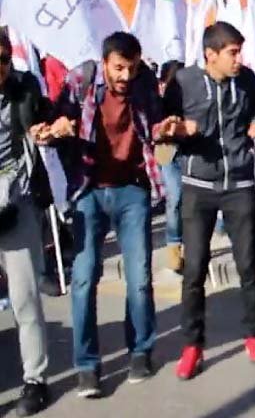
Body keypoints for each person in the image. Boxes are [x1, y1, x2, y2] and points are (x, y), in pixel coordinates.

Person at [38, 32, 170, 397]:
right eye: (119, 68)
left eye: (132, 67)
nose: (126, 75)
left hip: (132, 189)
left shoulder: (145, 83)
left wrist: (166, 131)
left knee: (139, 277)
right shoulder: (81, 80)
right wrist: (54, 130)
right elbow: (53, 121)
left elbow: (155, 125)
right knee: (83, 278)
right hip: (88, 191)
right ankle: (87, 365)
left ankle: (141, 351)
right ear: (105, 62)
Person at [164, 22, 255, 380]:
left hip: (240, 183)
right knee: (193, 270)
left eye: (240, 51)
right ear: (211, 54)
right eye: (232, 53)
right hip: (198, 185)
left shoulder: (248, 80)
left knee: (247, 265)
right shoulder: (184, 82)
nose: (239, 59)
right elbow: (166, 126)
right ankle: (192, 345)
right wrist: (178, 130)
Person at [0, 29, 52, 415]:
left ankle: (35, 379)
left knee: (25, 298)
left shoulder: (25, 87)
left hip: (15, 204)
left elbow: (45, 118)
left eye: (3, 59)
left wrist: (44, 129)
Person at [157, 60, 184, 272]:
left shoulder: (189, 95)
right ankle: (174, 244)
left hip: (188, 151)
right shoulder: (157, 99)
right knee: (175, 196)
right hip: (168, 152)